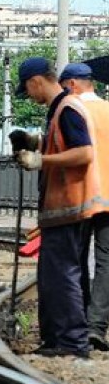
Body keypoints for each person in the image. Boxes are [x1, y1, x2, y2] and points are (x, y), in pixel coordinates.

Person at [11, 56, 102, 359]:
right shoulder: (60, 110)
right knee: (52, 277)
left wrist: (40, 160)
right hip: (59, 210)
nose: (31, 97)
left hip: (70, 206)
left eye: (29, 90)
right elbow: (59, 144)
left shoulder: (69, 108)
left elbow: (84, 153)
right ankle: (54, 341)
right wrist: (33, 143)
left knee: (64, 276)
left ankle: (73, 344)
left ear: (36, 81)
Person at [59, 62, 109, 352]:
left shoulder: (71, 110)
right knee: (106, 262)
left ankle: (78, 323)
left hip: (80, 195)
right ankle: (97, 326)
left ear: (73, 84)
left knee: (74, 259)